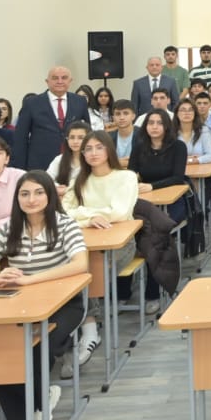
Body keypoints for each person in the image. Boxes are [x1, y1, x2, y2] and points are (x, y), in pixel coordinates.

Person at [0, 170, 86, 420]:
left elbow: (80, 264)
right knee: (0, 348)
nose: (31, 199)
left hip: (64, 304)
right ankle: (39, 403)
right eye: (24, 194)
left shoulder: (65, 224)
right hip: (21, 304)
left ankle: (37, 406)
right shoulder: (10, 228)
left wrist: (31, 279)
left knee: (36, 349)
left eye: (39, 193)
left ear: (50, 196)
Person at [61, 131, 139, 363]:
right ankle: (87, 326)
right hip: (82, 242)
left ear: (108, 150)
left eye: (98, 147)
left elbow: (120, 212)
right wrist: (89, 219)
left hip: (120, 244)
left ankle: (89, 330)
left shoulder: (125, 177)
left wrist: (82, 214)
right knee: (74, 270)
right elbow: (63, 212)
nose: (93, 153)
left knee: (90, 272)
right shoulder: (79, 178)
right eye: (88, 149)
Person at [13, 66, 91, 171]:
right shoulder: (32, 103)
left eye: (64, 78)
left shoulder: (80, 101)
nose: (60, 81)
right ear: (47, 81)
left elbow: (88, 133)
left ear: (70, 81)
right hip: (40, 165)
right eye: (55, 78)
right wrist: (20, 168)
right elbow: (20, 137)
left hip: (74, 164)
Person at [48, 121, 91, 196]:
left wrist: (68, 190)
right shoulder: (59, 159)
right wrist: (58, 187)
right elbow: (47, 179)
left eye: (80, 138)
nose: (75, 141)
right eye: (72, 137)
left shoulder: (93, 159)